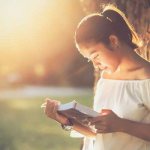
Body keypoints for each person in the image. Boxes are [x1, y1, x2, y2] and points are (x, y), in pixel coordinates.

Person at [42, 4, 150, 150]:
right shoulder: (105, 79)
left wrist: (121, 125)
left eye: (96, 56)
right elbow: (98, 134)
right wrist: (67, 121)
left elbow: (117, 126)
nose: (95, 65)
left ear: (113, 41)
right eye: (90, 59)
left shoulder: (146, 78)